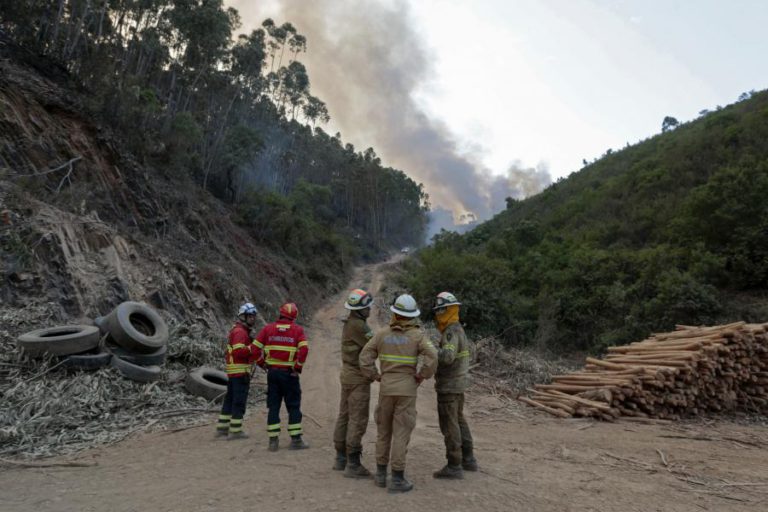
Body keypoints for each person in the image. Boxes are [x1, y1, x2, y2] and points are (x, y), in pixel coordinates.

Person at [360, 294, 437, 493]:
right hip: (407, 391)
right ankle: (397, 479)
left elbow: (364, 357)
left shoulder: (382, 334)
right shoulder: (417, 336)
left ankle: (380, 475)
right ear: (412, 316)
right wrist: (422, 376)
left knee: (384, 432)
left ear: (395, 313)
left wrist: (375, 376)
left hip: (386, 389)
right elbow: (433, 356)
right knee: (401, 433)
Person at [431, 292, 478, 479]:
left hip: (449, 386)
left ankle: (454, 464)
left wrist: (431, 349)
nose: (437, 314)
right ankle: (468, 459)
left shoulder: (451, 331)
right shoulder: (459, 329)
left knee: (449, 424)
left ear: (447, 310)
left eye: (440, 310)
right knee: (459, 420)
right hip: (458, 384)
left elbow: (448, 357)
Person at [252, 302, 310, 451]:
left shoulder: (267, 329)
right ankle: (296, 440)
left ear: (281, 314)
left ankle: (273, 441)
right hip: (289, 374)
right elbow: (304, 349)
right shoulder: (297, 330)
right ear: (294, 316)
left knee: (273, 406)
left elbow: (254, 349)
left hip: (272, 374)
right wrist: (297, 367)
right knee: (293, 406)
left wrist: (261, 363)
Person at [332, 289, 375, 478]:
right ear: (359, 309)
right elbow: (375, 344)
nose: (369, 310)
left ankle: (340, 458)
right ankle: (353, 464)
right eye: (366, 307)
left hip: (347, 375)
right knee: (357, 419)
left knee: (344, 415)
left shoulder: (349, 322)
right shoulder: (359, 326)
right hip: (358, 378)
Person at [216, 302, 259, 440]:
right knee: (239, 401)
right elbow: (239, 352)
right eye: (250, 316)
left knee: (229, 400)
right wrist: (253, 348)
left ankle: (222, 428)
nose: (253, 319)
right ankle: (235, 431)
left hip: (235, 373)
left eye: (254, 316)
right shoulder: (240, 332)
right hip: (240, 373)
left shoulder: (238, 330)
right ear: (243, 316)